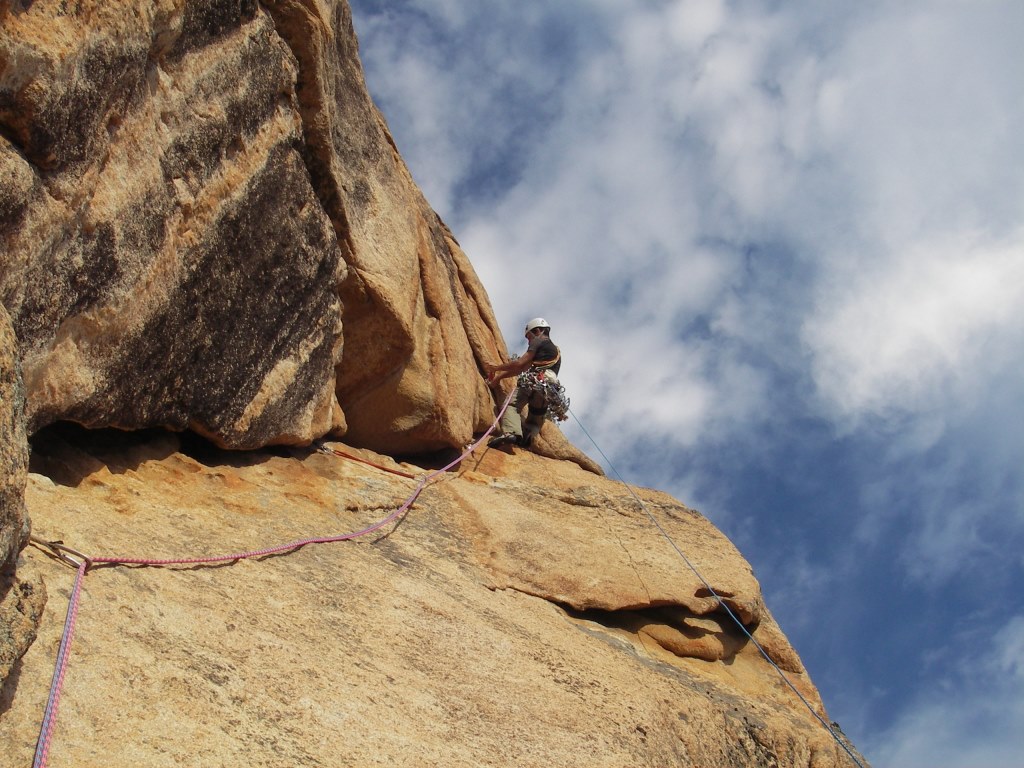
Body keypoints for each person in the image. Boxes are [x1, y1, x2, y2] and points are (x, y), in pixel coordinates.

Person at [484, 317, 562, 448]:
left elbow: (520, 364)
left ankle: (511, 433)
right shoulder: (555, 350)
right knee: (535, 416)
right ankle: (527, 438)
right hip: (548, 389)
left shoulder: (538, 341)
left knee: (511, 406)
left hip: (535, 381)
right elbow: (520, 369)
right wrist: (499, 378)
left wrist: (496, 368)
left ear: (537, 331)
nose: (528, 341)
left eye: (528, 337)